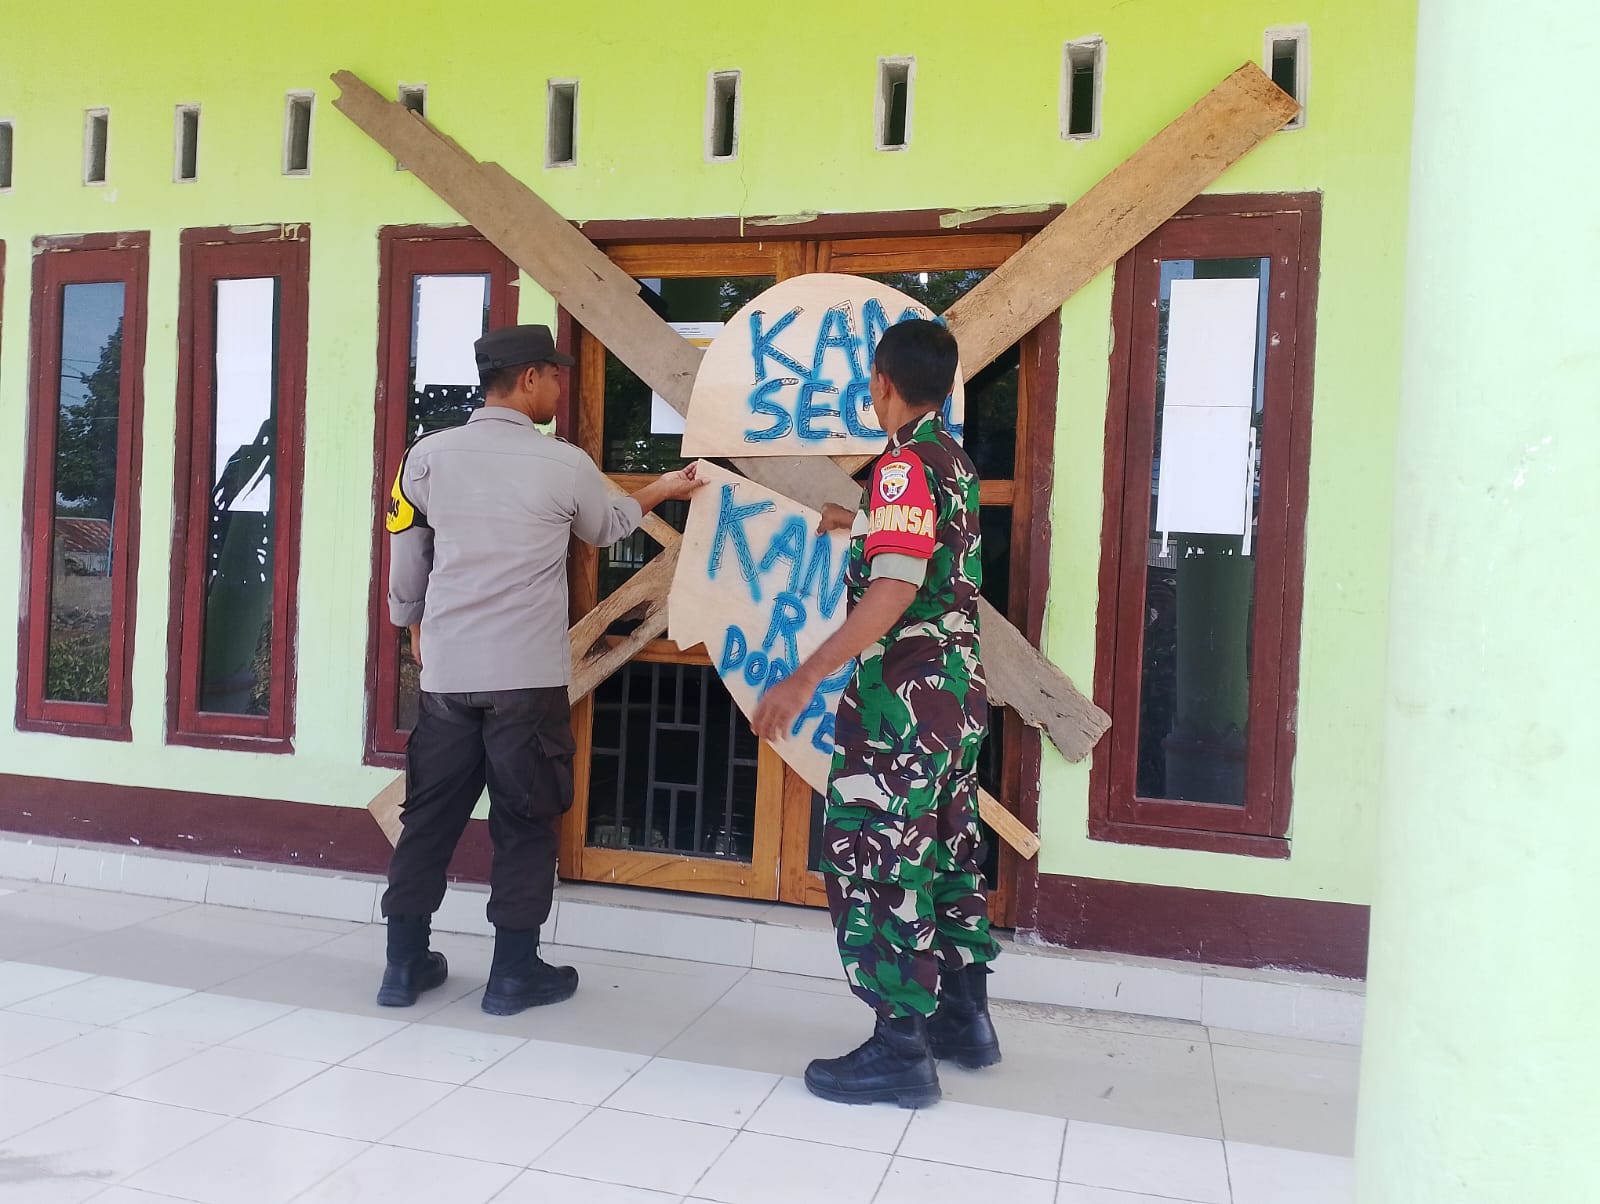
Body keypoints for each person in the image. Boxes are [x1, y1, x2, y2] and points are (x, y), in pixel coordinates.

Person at [379, 323, 703, 1015]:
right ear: (528, 379)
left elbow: (407, 552)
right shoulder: (562, 462)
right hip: (525, 679)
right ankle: (513, 974)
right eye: (554, 374)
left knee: (428, 817)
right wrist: (663, 488)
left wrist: (414, 624)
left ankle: (402, 966)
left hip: (448, 675)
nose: (560, 385)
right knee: (525, 822)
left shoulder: (425, 457)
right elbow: (608, 527)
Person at [752, 318, 1000, 1108]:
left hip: (903, 702)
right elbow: (926, 551)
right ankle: (964, 1020)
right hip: (956, 697)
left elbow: (894, 587)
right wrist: (853, 522)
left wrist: (804, 677)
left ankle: (900, 1048)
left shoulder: (900, 466)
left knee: (880, 860)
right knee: (946, 851)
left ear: (882, 385)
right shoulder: (950, 459)